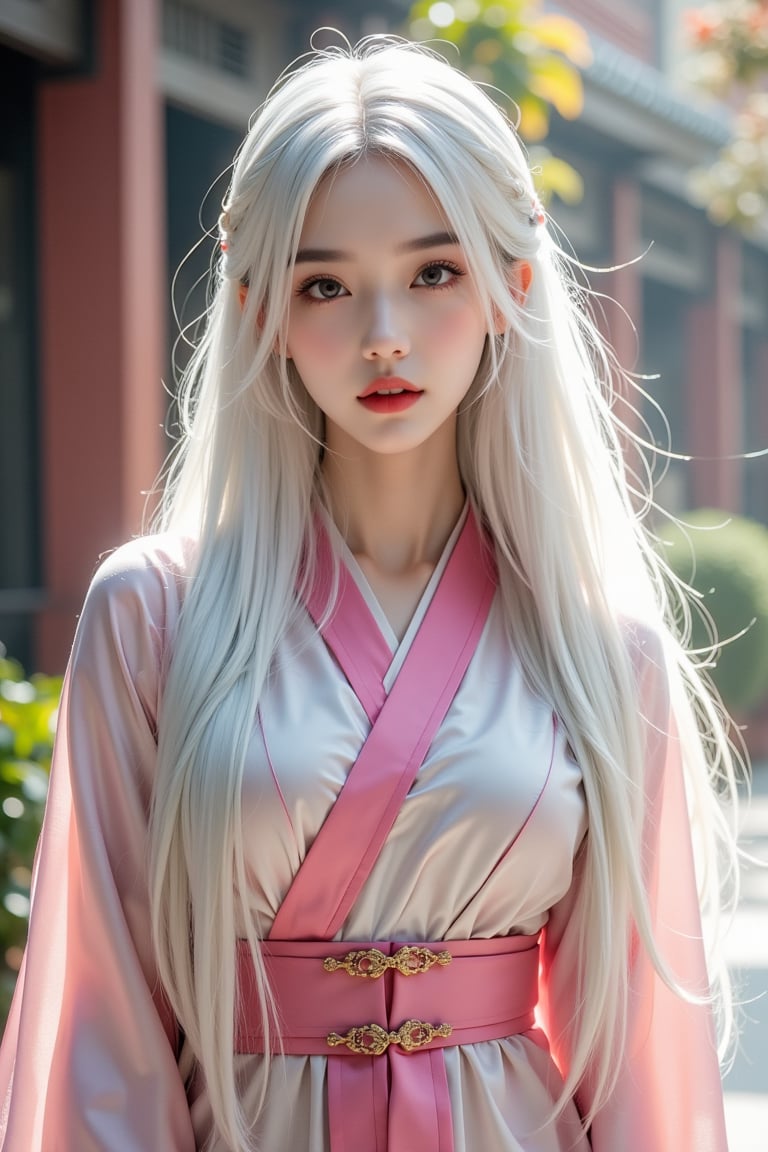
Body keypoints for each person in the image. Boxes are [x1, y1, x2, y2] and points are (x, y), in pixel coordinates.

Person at [0, 36, 741, 1152]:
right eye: (326, 285)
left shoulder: (600, 643)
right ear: (262, 311)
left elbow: (639, 1064)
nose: (382, 334)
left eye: (434, 273)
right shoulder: (154, 614)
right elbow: (103, 1028)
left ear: (510, 290)